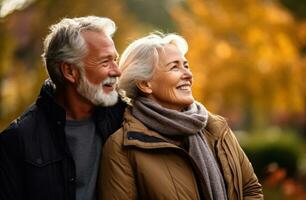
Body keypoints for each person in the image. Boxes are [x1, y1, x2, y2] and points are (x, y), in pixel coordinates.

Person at [99, 32, 263, 200]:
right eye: (174, 67)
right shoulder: (122, 148)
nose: (188, 75)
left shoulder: (216, 128)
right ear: (145, 84)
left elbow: (250, 188)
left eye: (186, 65)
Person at [0, 16, 126, 200]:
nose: (117, 71)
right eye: (105, 62)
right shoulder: (17, 140)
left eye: (115, 59)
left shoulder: (124, 118)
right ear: (70, 72)